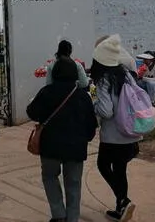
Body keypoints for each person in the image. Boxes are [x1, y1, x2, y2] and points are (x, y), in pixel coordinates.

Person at [27, 57, 98, 222]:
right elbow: (91, 125)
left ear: (54, 73)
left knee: (50, 177)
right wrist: (85, 138)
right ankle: (72, 218)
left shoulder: (46, 92)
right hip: (75, 148)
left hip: (50, 146)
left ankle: (58, 214)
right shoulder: (83, 96)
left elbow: (31, 112)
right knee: (74, 184)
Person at [92, 34, 140, 222]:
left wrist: (93, 102)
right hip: (131, 132)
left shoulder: (104, 79)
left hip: (113, 136)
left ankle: (124, 200)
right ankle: (121, 207)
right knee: (120, 169)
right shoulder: (126, 74)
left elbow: (106, 111)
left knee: (103, 165)